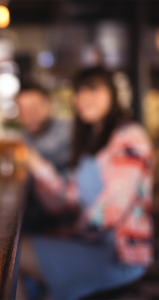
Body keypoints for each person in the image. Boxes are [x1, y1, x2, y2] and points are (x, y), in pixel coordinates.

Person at [17, 67, 154, 300]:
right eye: (79, 92)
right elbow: (64, 201)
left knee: (11, 256)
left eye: (93, 89)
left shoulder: (129, 136)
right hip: (91, 242)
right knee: (13, 253)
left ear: (112, 93)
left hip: (120, 255)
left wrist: (65, 233)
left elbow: (111, 210)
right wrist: (35, 164)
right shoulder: (91, 141)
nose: (84, 98)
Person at [15, 85, 73, 234]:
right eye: (23, 109)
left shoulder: (68, 130)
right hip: (37, 218)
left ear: (49, 105)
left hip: (65, 224)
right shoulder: (25, 134)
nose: (29, 114)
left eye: (34, 107)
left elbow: (48, 151)